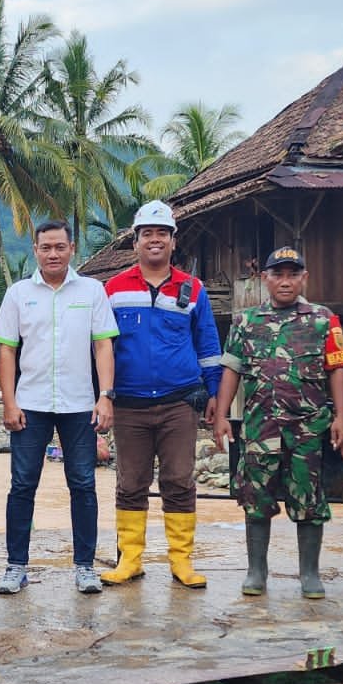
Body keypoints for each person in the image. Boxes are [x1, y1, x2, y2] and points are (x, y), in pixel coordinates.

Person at [211, 247, 343, 599]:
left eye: (293, 274)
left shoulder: (324, 320)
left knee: (308, 497)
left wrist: (342, 418)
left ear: (304, 278)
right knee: (254, 496)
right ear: (266, 279)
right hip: (261, 428)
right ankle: (256, 571)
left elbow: (338, 371)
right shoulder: (246, 322)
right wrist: (222, 416)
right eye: (278, 274)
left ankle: (309, 574)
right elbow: (232, 370)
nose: (285, 281)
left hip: (307, 429)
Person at [0, 221, 119, 595]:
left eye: (59, 247)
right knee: (22, 486)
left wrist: (105, 395)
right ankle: (16, 566)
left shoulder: (92, 290)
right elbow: (6, 349)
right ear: (35, 250)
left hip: (80, 404)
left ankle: (85, 567)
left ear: (71, 248)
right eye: (45, 247)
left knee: (83, 484)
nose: (52, 254)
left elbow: (103, 346)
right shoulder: (18, 293)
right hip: (30, 404)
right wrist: (9, 402)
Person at [101, 200, 222, 588]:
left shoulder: (193, 288)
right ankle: (130, 560)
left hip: (179, 404)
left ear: (173, 241)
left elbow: (208, 345)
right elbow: (100, 347)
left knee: (180, 481)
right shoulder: (114, 289)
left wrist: (215, 394)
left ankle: (181, 561)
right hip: (129, 405)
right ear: (134, 242)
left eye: (162, 234)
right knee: (130, 482)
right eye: (147, 234)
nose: (155, 240)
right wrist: (100, 394)